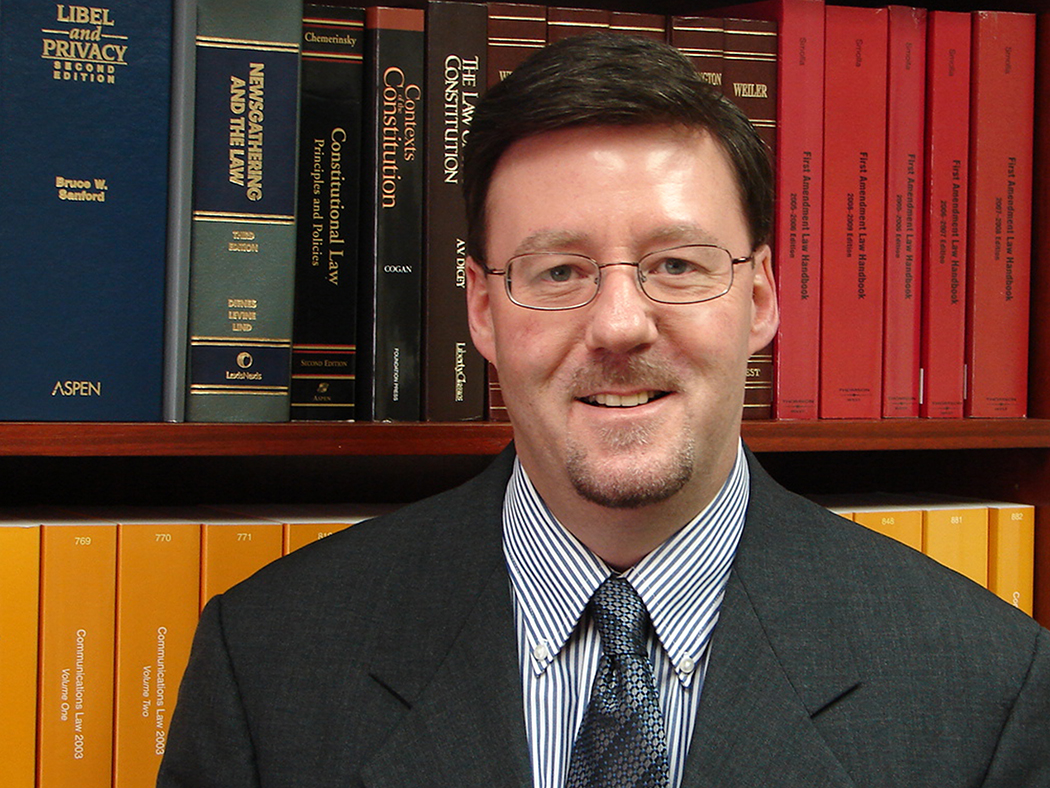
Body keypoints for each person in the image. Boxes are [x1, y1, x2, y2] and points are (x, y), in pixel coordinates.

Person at [158, 33, 1050, 788]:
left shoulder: (988, 689)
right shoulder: (266, 666)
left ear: (764, 298)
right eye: (558, 273)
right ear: (481, 310)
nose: (620, 326)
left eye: (677, 265)